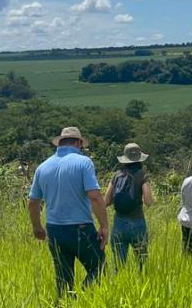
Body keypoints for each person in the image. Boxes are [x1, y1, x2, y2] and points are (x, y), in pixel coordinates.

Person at [28, 127, 109, 298]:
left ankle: (66, 301)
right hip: (80, 227)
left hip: (54, 229)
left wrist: (37, 228)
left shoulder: (43, 167)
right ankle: (81, 297)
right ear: (78, 143)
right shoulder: (84, 162)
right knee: (99, 267)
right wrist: (104, 225)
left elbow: (33, 202)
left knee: (63, 278)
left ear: (59, 143)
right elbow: (94, 197)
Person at [105, 143, 154, 269]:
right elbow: (148, 201)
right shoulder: (142, 175)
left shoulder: (117, 175)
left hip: (119, 223)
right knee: (142, 264)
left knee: (118, 264)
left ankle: (116, 286)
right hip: (137, 222)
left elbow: (106, 201)